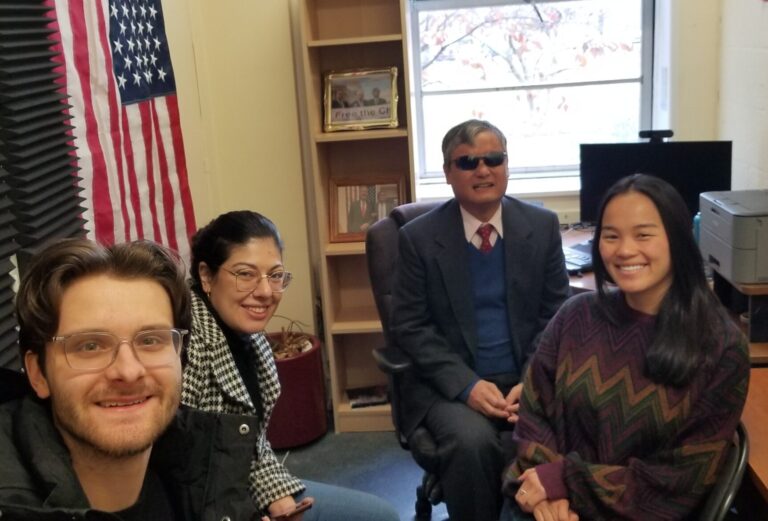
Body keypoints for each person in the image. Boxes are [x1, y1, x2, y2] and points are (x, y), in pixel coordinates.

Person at [502, 174, 750, 521]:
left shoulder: (719, 346)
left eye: (643, 234)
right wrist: (546, 489)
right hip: (545, 503)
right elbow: (534, 413)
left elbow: (680, 479)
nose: (625, 250)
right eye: (611, 236)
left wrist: (566, 481)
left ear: (677, 239)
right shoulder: (576, 315)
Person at [0, 238, 266, 520]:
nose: (128, 371)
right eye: (90, 346)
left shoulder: (205, 461)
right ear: (38, 373)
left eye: (151, 340)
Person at [390, 119, 571, 521]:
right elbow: (410, 328)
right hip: (450, 385)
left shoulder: (541, 227)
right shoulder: (418, 239)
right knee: (472, 443)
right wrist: (467, 386)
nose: (483, 170)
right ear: (448, 174)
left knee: (580, 426)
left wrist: (532, 379)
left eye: (493, 159)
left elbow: (555, 316)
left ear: (507, 165)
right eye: (468, 162)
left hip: (527, 376)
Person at [183, 210, 400, 521]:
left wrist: (279, 498)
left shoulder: (249, 337)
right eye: (245, 274)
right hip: (207, 507)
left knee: (381, 516)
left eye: (275, 275)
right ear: (206, 276)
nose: (265, 292)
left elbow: (250, 446)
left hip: (244, 488)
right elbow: (178, 480)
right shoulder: (186, 348)